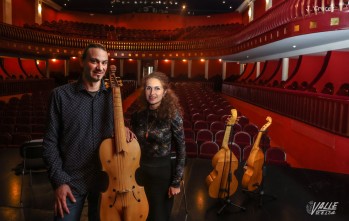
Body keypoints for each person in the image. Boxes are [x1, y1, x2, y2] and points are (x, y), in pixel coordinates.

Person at [42, 43, 131, 220]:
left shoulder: (113, 96)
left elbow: (116, 132)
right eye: (94, 61)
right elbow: (49, 143)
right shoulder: (60, 96)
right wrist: (59, 181)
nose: (100, 68)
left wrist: (123, 129)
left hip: (105, 181)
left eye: (104, 63)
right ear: (82, 62)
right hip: (71, 180)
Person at [130, 72, 186, 221]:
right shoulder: (138, 115)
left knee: (158, 216)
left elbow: (181, 150)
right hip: (140, 171)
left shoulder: (173, 115)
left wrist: (176, 182)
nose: (152, 93)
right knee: (140, 214)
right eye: (148, 88)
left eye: (157, 88)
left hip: (162, 173)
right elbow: (132, 142)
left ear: (165, 92)